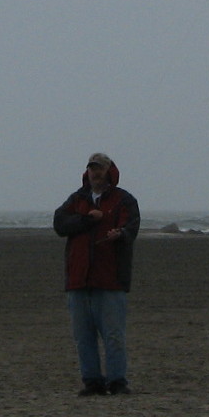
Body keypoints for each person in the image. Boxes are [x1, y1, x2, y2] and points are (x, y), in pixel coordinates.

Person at [52, 152, 139, 396]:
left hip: (110, 280)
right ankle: (92, 381)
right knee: (83, 337)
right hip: (79, 280)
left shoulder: (123, 200)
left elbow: (131, 227)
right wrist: (87, 220)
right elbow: (60, 224)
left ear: (109, 171)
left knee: (113, 335)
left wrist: (120, 234)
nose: (95, 173)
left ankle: (117, 381)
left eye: (99, 168)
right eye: (92, 168)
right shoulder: (77, 199)